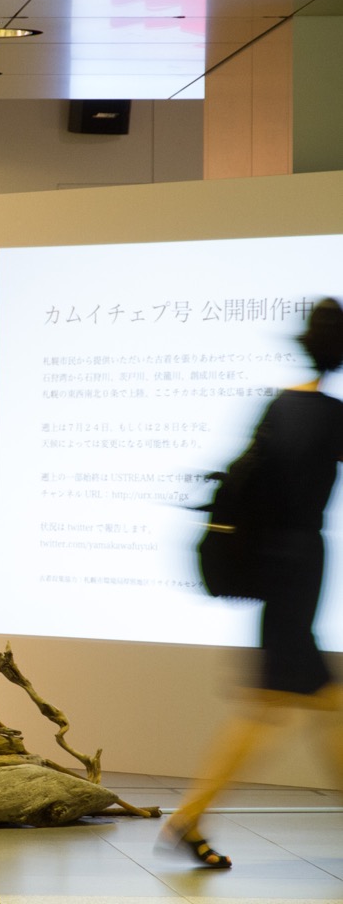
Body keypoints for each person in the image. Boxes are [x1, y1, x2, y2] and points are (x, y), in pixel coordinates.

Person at [163, 297, 343, 867]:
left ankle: (189, 817)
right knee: (270, 709)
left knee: (315, 704)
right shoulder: (333, 416)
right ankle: (188, 816)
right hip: (299, 568)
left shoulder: (279, 407)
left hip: (276, 567)